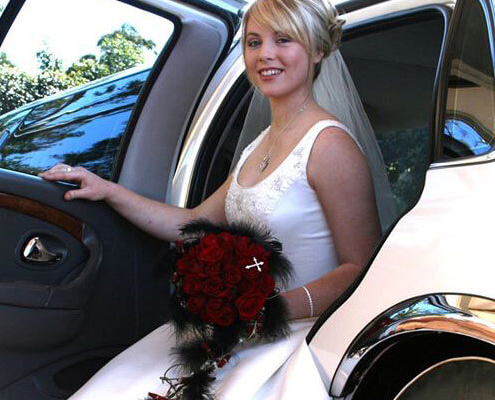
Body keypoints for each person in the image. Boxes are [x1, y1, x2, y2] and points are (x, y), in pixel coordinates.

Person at [40, 0, 382, 397]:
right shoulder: (257, 147)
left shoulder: (330, 145)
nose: (265, 54)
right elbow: (192, 223)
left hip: (299, 334)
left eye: (283, 39)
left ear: (318, 49)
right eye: (254, 42)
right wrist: (108, 190)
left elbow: (362, 268)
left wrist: (268, 311)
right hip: (235, 330)